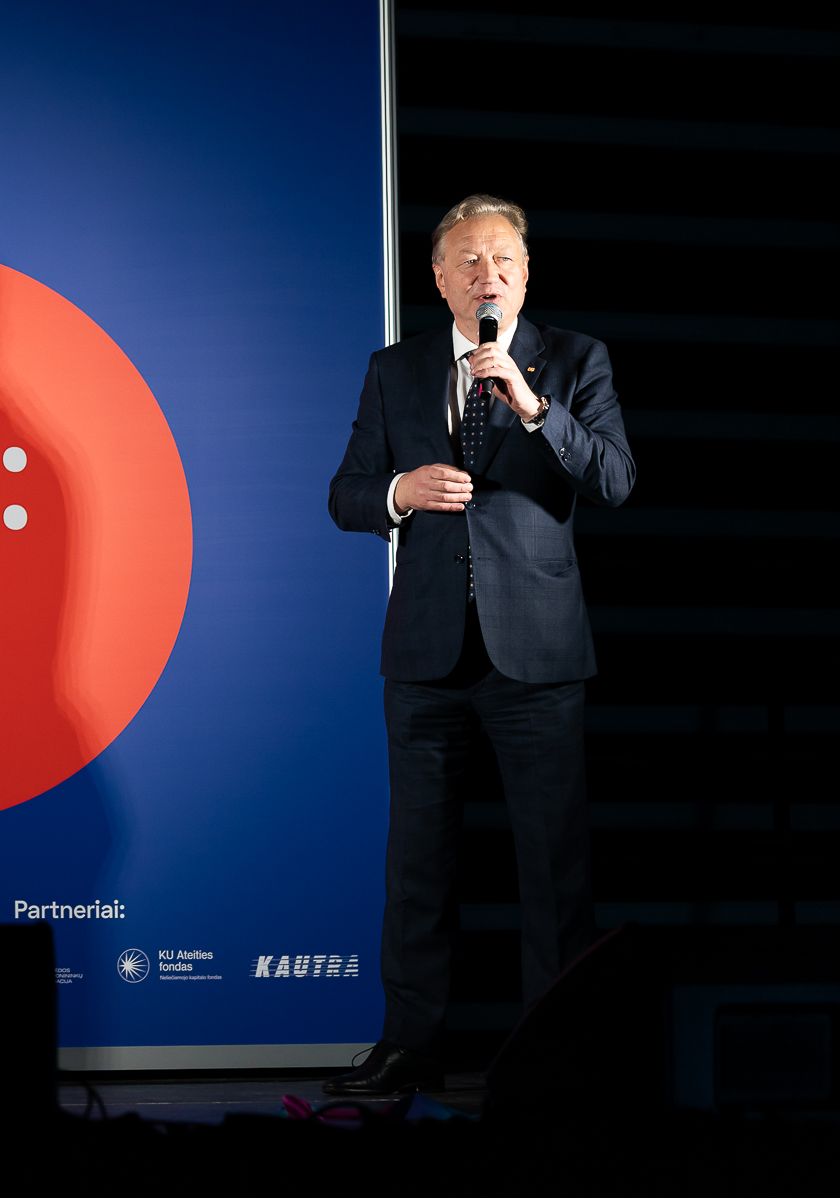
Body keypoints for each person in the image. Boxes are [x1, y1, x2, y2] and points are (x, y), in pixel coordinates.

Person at [323, 194, 634, 1096]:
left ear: (525, 274)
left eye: (502, 259)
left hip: (537, 652)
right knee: (417, 865)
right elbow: (345, 493)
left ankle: (557, 1057)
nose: (486, 274)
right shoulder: (397, 369)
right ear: (439, 277)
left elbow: (615, 478)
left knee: (554, 868)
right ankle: (408, 1046)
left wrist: (534, 408)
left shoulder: (574, 359)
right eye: (467, 260)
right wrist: (399, 492)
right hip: (426, 655)